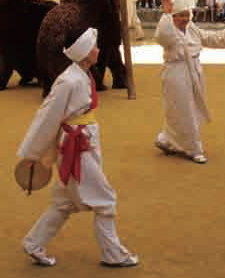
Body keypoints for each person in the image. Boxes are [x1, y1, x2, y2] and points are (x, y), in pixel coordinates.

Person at [18, 27, 139, 268]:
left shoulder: (81, 74)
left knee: (63, 202)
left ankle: (33, 243)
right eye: (94, 46)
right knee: (104, 200)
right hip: (77, 147)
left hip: (83, 141)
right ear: (84, 52)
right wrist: (31, 154)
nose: (98, 49)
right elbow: (47, 116)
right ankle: (112, 254)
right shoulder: (69, 81)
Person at [154, 0, 225, 164]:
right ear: (173, 16)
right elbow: (162, 36)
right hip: (176, 74)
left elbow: (212, 38)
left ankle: (167, 139)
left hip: (194, 71)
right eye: (180, 15)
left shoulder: (192, 28)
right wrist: (166, 13)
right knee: (182, 110)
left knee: (189, 109)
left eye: (187, 14)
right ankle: (193, 148)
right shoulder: (168, 29)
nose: (185, 19)